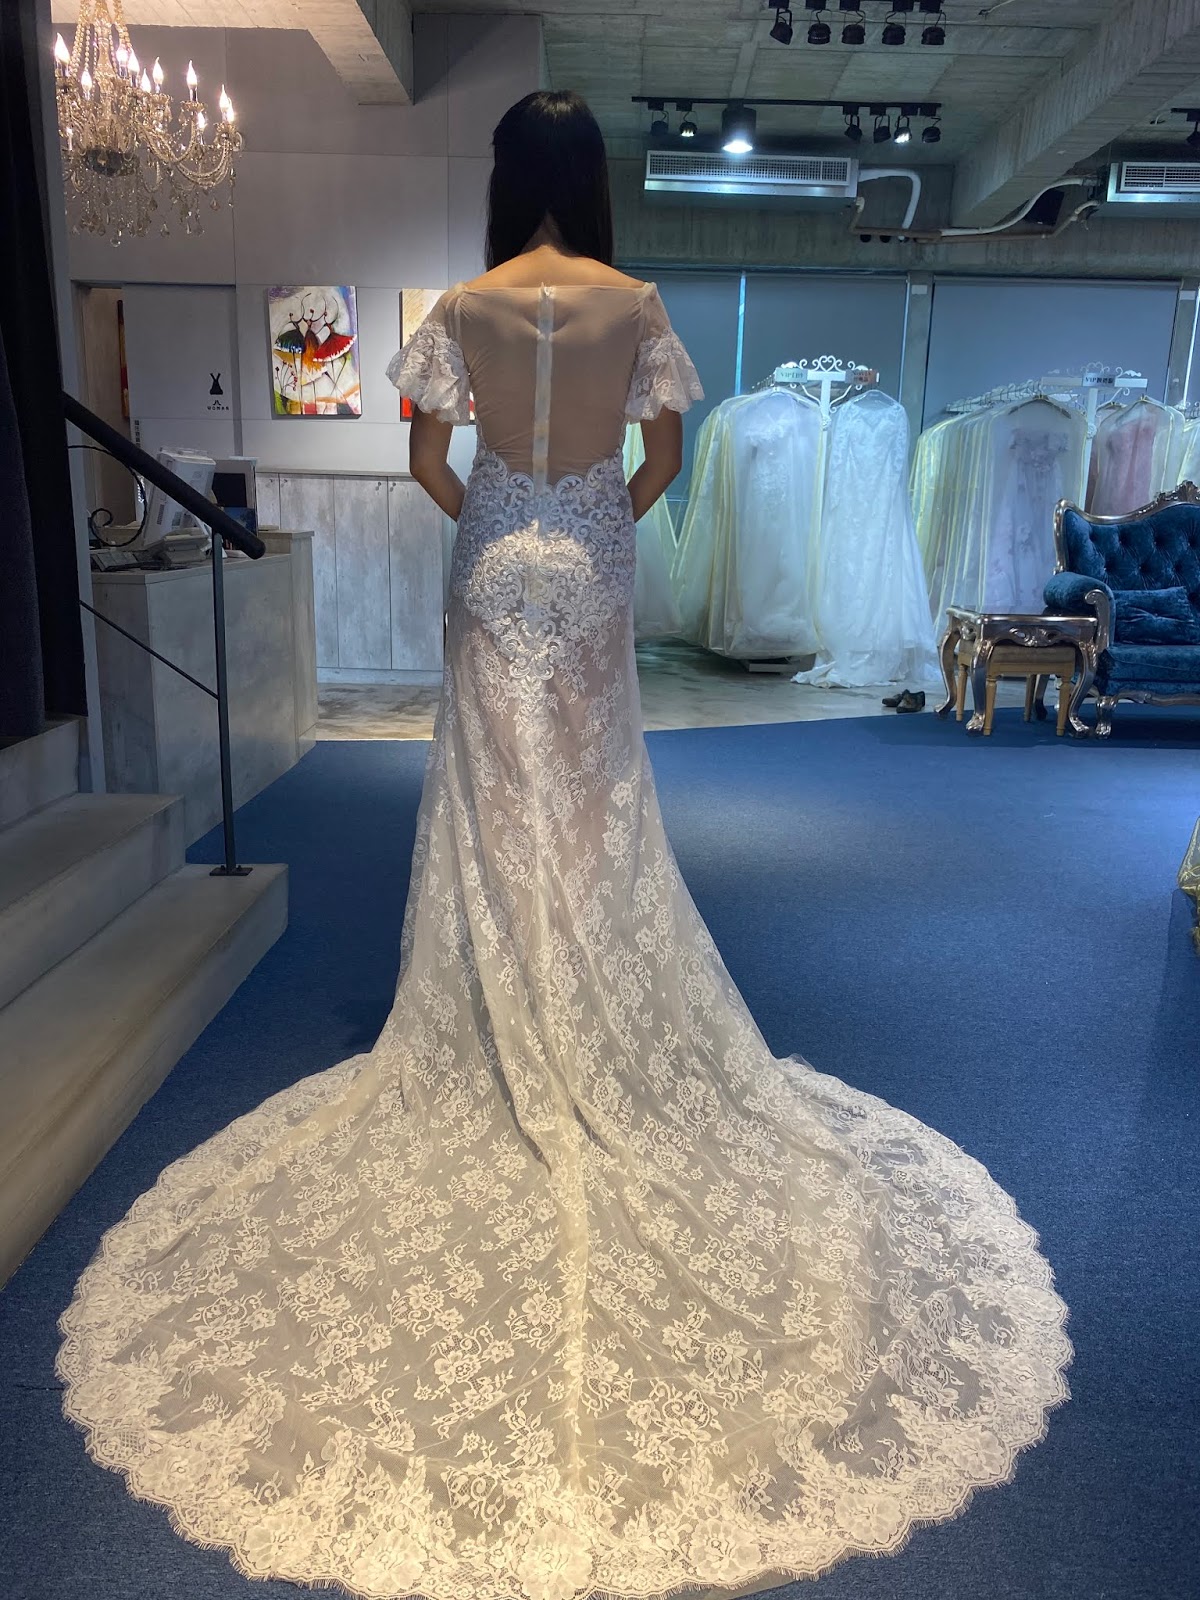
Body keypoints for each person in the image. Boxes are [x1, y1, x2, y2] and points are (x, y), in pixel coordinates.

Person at [57, 90, 1071, 1600]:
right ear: (585, 181)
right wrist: (594, 515)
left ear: (502, 179)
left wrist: (495, 512)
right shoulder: (634, 302)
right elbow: (665, 460)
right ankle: (588, 995)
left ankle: (499, 1003)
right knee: (594, 806)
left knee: (489, 799)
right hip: (587, 563)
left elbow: (424, 460)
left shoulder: (462, 308)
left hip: (493, 560)